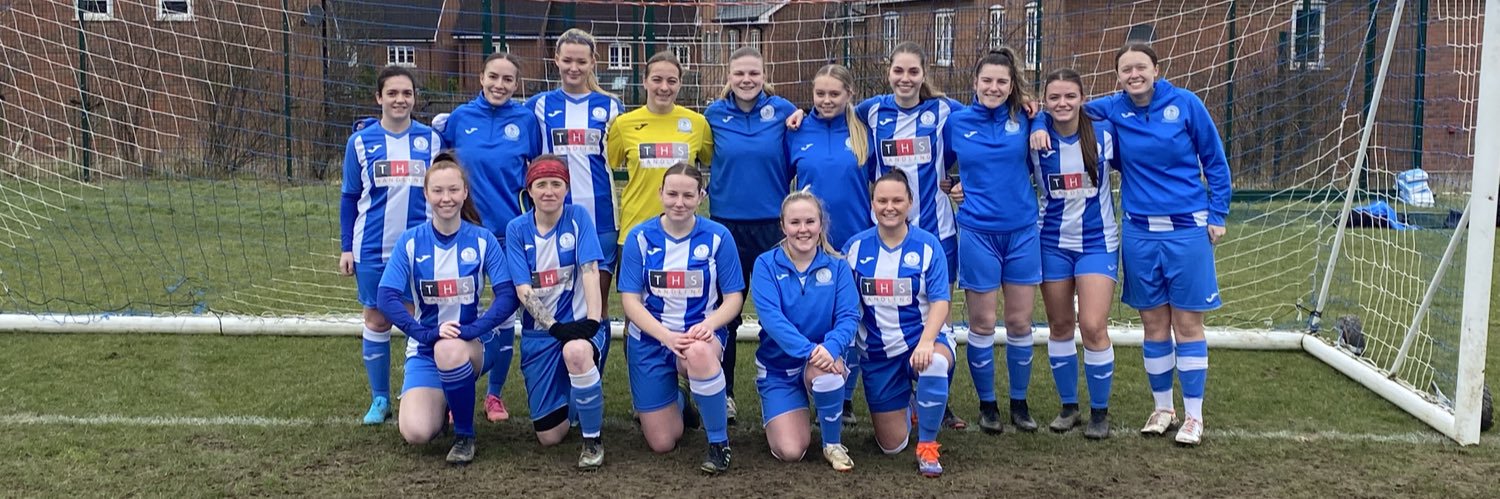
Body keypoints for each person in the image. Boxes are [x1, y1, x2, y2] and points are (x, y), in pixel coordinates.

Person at [1033, 42, 1232, 445]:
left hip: (1187, 228)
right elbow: (1063, 106)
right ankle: (1163, 408)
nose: (1134, 75)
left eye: (1141, 67)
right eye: (1126, 70)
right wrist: (1038, 119)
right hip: (1139, 232)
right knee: (1154, 324)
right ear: (1118, 77)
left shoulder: (1187, 104)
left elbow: (1214, 160)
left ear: (1156, 70)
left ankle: (1194, 415)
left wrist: (1217, 214)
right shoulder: (1113, 109)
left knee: (1188, 324)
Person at [376, 152, 519, 464]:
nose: (446, 198)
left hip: (475, 343)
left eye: (453, 190)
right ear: (426, 194)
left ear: (465, 192)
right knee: (416, 433)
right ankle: (444, 402)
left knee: (450, 351)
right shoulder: (411, 242)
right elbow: (386, 297)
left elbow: (508, 296)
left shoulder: (482, 240)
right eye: (438, 191)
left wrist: (471, 330)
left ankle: (465, 436)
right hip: (427, 347)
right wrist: (424, 333)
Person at [437, 51, 543, 422]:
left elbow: (538, 176)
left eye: (508, 80)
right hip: (462, 233)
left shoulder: (526, 120)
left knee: (503, 314)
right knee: (456, 311)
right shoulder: (459, 119)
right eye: (493, 77)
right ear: (480, 78)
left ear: (517, 85)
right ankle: (455, 391)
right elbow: (442, 172)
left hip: (507, 234)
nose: (500, 85)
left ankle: (494, 395)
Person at [618, 163, 744, 474]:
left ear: (701, 196)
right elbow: (630, 302)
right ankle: (680, 401)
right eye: (672, 193)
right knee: (662, 442)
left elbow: (733, 300)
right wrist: (666, 336)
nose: (679, 202)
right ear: (660, 193)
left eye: (688, 195)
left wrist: (709, 326)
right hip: (651, 339)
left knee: (700, 353)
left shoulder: (718, 237)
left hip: (699, 335)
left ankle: (718, 443)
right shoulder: (640, 237)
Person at [942, 47, 1042, 434]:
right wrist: (951, 185)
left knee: (1019, 322)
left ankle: (1019, 403)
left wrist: (1041, 122)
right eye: (987, 80)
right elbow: (941, 166)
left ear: (1012, 84)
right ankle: (988, 406)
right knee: (982, 323)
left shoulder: (1029, 118)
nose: (994, 87)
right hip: (977, 233)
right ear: (975, 83)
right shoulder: (957, 121)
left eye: (1002, 81)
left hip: (1021, 232)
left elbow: (1053, 124)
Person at [338, 64, 442, 426]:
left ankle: (423, 393)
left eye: (407, 93)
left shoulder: (431, 140)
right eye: (393, 93)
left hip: (421, 249)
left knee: (421, 317)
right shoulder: (360, 142)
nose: (400, 99)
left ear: (415, 99)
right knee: (377, 319)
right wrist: (346, 247)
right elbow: (350, 197)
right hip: (371, 249)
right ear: (378, 97)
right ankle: (380, 399)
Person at [703, 46, 799, 425]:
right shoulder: (712, 115)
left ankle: (783, 391)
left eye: (753, 74)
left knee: (780, 311)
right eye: (740, 73)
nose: (746, 80)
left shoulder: (783, 110)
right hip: (725, 227)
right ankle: (723, 392)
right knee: (724, 314)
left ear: (764, 74)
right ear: (729, 75)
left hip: (773, 227)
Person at [524, 29, 625, 369]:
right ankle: (561, 369)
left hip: (601, 219)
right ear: (556, 60)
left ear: (593, 62)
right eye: (567, 60)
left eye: (581, 61)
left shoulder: (611, 106)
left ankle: (591, 373)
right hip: (554, 219)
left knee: (598, 304)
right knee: (559, 300)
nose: (573, 67)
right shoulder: (539, 105)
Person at [844, 169, 955, 478]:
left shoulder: (928, 246)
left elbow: (941, 302)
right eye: (882, 200)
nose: (889, 207)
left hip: (923, 341)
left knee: (933, 363)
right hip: (878, 354)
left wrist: (926, 341)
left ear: (910, 203)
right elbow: (845, 305)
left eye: (896, 200)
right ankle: (908, 403)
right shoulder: (854, 249)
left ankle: (928, 447)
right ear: (872, 204)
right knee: (891, 445)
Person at [1033, 68, 1121, 439]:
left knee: (1093, 326)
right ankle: (1069, 407)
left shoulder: (1105, 133)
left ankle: (1099, 412)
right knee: (1060, 326)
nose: (1062, 103)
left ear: (1083, 98)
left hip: (1098, 242)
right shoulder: (1035, 138)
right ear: (1045, 102)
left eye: (1070, 96)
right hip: (1051, 243)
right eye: (1054, 98)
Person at [505, 155, 609, 469]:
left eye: (556, 184)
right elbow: (523, 289)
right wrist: (552, 326)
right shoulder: (516, 229)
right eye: (541, 185)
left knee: (577, 352)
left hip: (580, 328)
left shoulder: (579, 218)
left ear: (566, 188)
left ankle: (592, 441)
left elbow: (591, 269)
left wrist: (592, 320)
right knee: (550, 436)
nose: (549, 191)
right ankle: (577, 400)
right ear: (530, 190)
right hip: (541, 335)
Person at [786, 63, 874, 426]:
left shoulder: (864, 130)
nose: (825, 100)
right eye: (819, 93)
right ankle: (799, 389)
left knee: (849, 319)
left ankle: (844, 394)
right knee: (810, 316)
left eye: (834, 94)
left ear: (849, 95)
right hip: (809, 242)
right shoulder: (794, 128)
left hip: (854, 241)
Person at [750, 190, 860, 472]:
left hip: (823, 361)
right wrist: (812, 351)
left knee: (827, 374)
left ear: (821, 224)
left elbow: (848, 317)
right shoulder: (765, 264)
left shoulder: (837, 266)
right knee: (790, 451)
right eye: (795, 222)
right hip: (779, 369)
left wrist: (831, 348)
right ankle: (785, 405)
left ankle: (832, 444)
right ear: (783, 226)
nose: (803, 229)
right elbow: (773, 321)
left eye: (810, 222)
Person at [609, 51, 713, 249]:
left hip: (683, 232)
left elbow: (712, 161)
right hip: (635, 230)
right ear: (645, 81)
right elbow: (609, 165)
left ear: (680, 83)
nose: (664, 87)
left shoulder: (698, 124)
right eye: (657, 79)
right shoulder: (623, 125)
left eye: (671, 81)